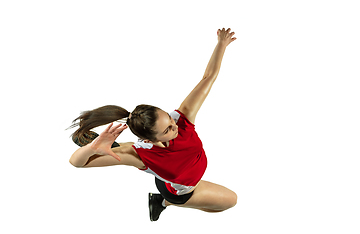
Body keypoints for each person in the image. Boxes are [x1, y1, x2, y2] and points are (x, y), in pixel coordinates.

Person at [69, 28, 238, 221]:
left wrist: (221, 44)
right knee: (229, 202)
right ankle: (163, 202)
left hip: (166, 178)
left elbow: (208, 77)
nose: (175, 127)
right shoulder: (138, 156)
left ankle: (158, 196)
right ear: (148, 139)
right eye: (167, 129)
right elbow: (76, 163)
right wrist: (93, 147)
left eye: (168, 118)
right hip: (181, 191)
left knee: (214, 205)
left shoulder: (183, 119)